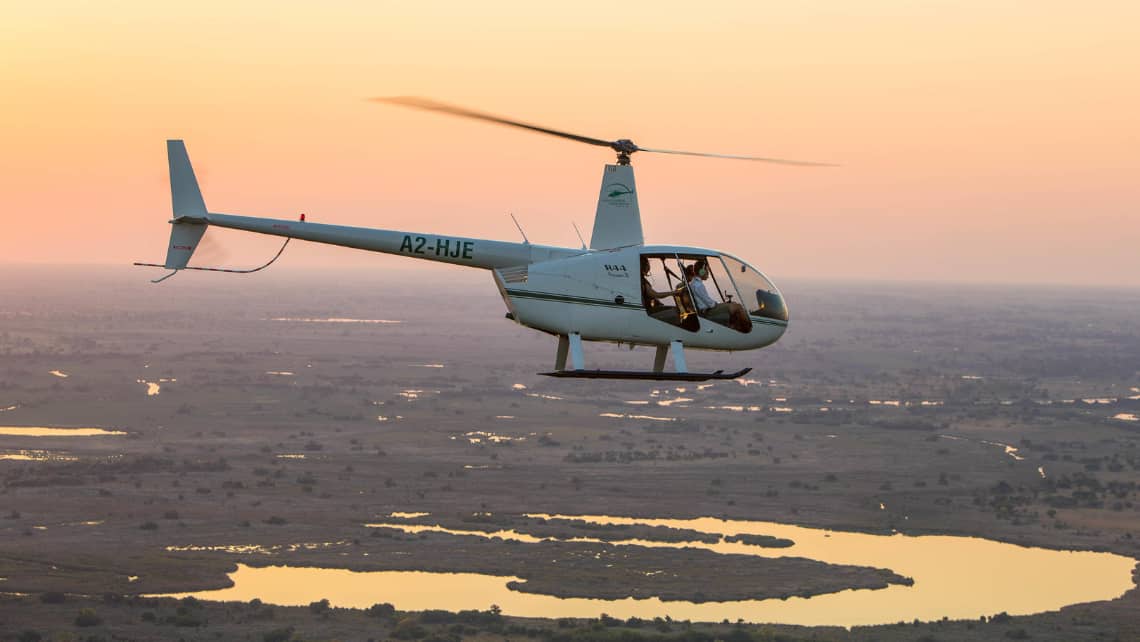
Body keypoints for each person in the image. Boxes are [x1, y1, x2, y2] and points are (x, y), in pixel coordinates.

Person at [686, 260, 751, 332]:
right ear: (702, 272)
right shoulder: (698, 285)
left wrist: (720, 304)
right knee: (737, 307)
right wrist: (719, 304)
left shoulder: (694, 283)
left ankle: (738, 327)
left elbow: (706, 300)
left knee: (734, 305)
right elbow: (710, 304)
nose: (708, 273)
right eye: (707, 270)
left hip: (705, 310)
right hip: (707, 312)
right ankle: (748, 329)